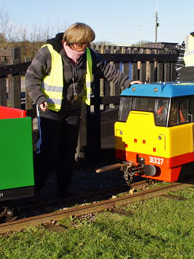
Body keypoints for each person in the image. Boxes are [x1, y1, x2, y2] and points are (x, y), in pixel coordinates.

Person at [25, 22, 141, 197]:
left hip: (72, 109)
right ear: (74, 42)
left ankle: (64, 188)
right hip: (49, 110)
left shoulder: (87, 54)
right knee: (46, 150)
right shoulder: (48, 52)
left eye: (89, 43)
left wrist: (127, 82)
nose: (88, 46)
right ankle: (37, 188)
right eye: (85, 43)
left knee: (68, 149)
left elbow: (106, 69)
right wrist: (39, 98)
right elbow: (31, 77)